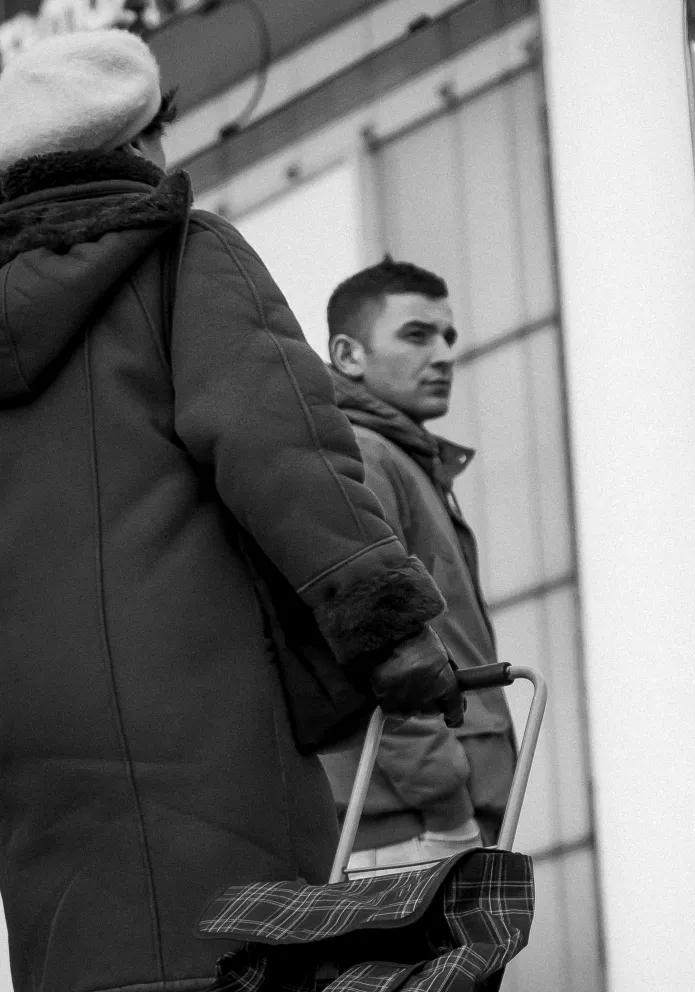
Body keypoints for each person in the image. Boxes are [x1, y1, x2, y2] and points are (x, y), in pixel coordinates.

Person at [0, 30, 464, 992]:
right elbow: (282, 447)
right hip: (198, 709)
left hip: (31, 740)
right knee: (247, 953)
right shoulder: (184, 257)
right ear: (139, 143)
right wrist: (390, 629)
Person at [319, 259, 516, 872]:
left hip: (430, 822)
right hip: (411, 829)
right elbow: (374, 639)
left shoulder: (401, 460)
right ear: (348, 355)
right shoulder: (361, 453)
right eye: (416, 334)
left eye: (448, 336)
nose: (444, 353)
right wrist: (446, 810)